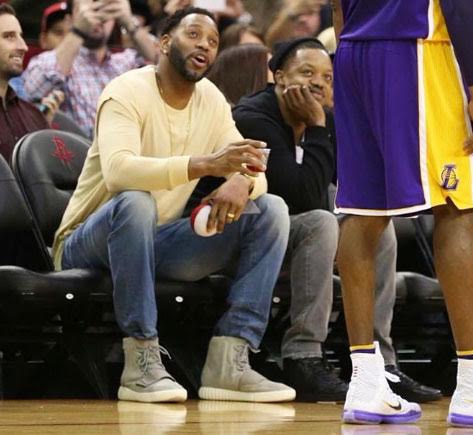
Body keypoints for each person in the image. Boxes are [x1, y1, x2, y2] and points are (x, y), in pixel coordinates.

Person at [331, 0, 473, 428]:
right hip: (419, 52)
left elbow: (337, 8)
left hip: (354, 53)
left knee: (363, 213)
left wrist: (350, 48)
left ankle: (366, 380)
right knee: (457, 210)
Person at [53, 7, 295, 404]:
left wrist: (241, 180)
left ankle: (229, 360)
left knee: (270, 210)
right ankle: (142, 360)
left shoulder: (211, 100)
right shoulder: (126, 90)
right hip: (85, 243)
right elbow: (118, 173)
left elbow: (255, 168)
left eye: (213, 41)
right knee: (134, 200)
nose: (205, 45)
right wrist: (207, 165)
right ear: (164, 43)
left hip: (156, 241)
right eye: (194, 35)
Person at [232, 37, 442, 403]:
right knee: (321, 221)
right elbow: (301, 196)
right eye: (307, 72)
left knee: (378, 226)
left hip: (300, 240)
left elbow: (357, 183)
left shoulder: (326, 120)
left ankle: (378, 362)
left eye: (328, 78)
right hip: (248, 238)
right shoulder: (253, 117)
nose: (319, 84)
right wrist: (316, 125)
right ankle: (303, 355)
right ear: (279, 77)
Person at [22, 0, 159, 137]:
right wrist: (79, 31)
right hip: (77, 154)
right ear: (70, 19)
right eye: (90, 7)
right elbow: (31, 91)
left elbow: (166, 63)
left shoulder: (127, 61)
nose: (97, 16)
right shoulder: (52, 61)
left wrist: (129, 21)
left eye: (106, 9)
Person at [0, 4, 63, 163]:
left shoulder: (34, 115)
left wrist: (42, 133)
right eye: (9, 36)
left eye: (20, 36)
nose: (23, 47)